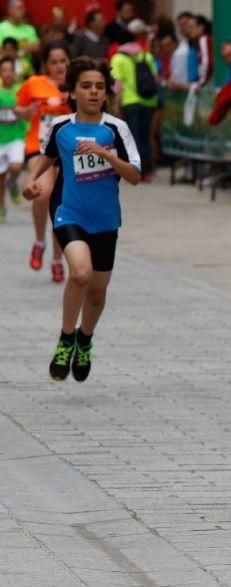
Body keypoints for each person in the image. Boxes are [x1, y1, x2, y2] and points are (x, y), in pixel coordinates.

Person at [23, 57, 140, 383]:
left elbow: (134, 176)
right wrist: (33, 181)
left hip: (105, 219)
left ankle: (84, 339)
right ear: (72, 91)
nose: (93, 92)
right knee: (80, 275)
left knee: (97, 294)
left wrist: (105, 154)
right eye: (86, 86)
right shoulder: (61, 127)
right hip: (69, 211)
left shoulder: (117, 128)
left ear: (106, 92)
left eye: (99, 87)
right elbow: (47, 156)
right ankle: (65, 338)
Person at [16, 41, 71, 283]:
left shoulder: (76, 85)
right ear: (45, 64)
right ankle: (40, 241)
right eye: (54, 62)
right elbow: (18, 107)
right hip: (38, 147)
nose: (59, 66)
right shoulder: (34, 83)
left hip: (67, 151)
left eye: (63, 61)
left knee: (61, 206)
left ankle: (58, 259)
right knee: (42, 193)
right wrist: (27, 111)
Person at [110, 19, 157, 181]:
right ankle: (148, 170)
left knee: (133, 136)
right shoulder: (146, 55)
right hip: (149, 101)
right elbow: (155, 78)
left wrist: (116, 104)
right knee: (145, 136)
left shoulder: (118, 58)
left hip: (130, 103)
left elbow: (117, 84)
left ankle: (136, 169)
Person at [0, 56, 25, 222]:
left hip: (17, 136)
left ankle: (13, 182)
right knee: (0, 176)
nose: (8, 73)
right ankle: (1, 207)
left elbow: (30, 110)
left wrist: (23, 111)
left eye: (11, 69)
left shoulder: (22, 89)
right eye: (4, 70)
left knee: (16, 166)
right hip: (1, 139)